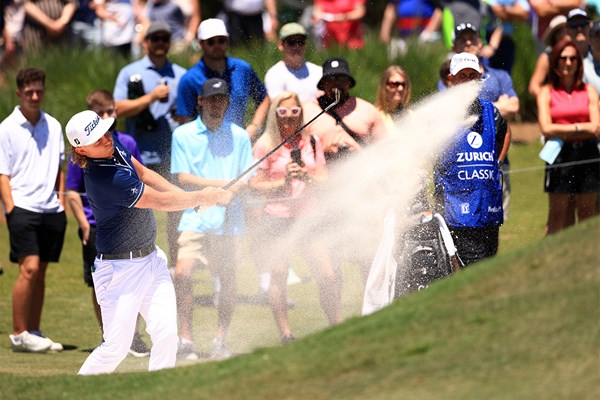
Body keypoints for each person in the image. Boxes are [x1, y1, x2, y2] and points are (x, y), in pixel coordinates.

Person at [66, 109, 232, 375]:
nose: (106, 139)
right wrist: (200, 197)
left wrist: (188, 199)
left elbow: (144, 173)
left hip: (151, 260)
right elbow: (157, 201)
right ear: (82, 151)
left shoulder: (112, 147)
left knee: (167, 336)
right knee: (116, 348)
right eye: (96, 140)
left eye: (105, 132)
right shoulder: (105, 178)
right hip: (119, 272)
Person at [250, 91, 342, 344]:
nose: (288, 118)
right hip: (276, 218)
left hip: (307, 217)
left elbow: (323, 177)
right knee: (278, 273)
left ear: (300, 113)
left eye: (294, 112)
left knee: (327, 273)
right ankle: (286, 334)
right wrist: (282, 182)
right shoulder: (266, 144)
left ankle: (337, 324)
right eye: (282, 112)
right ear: (274, 115)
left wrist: (306, 175)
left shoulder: (310, 141)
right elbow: (255, 185)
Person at [171, 78, 252, 360]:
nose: (217, 103)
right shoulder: (182, 135)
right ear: (200, 102)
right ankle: (185, 337)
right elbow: (183, 178)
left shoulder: (240, 136)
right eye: (212, 98)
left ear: (227, 102)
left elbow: (245, 177)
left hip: (230, 221)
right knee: (182, 274)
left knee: (227, 280)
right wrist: (220, 188)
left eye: (222, 98)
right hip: (194, 217)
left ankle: (221, 338)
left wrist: (232, 188)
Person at [66, 89, 151, 357]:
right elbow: (71, 190)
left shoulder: (122, 141)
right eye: (103, 113)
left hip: (129, 222)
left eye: (111, 112)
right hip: (95, 226)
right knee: (101, 286)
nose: (109, 119)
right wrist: (83, 223)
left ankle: (131, 336)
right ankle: (110, 335)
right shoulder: (83, 156)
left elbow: (141, 176)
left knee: (134, 284)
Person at [0, 67, 66, 353]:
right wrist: (11, 209)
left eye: (39, 91)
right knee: (28, 269)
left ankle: (34, 331)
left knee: (40, 272)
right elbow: (2, 174)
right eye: (29, 92)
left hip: (51, 208)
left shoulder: (53, 125)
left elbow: (61, 166)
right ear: (19, 94)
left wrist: (61, 202)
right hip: (22, 207)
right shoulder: (6, 128)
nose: (35, 96)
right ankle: (18, 334)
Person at [113, 20, 187, 265]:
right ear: (145, 42)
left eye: (164, 39)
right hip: (137, 155)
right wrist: (151, 97)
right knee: (136, 213)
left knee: (176, 210)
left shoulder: (180, 74)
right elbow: (118, 108)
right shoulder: (130, 72)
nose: (159, 44)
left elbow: (188, 112)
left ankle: (175, 266)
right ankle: (137, 263)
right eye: (154, 39)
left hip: (170, 154)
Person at [434, 52, 511, 266]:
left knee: (487, 267)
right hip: (457, 210)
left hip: (488, 208)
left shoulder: (490, 111)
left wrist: (498, 162)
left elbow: (505, 132)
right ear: (451, 80)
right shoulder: (440, 114)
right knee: (469, 268)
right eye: (463, 76)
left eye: (473, 76)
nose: (468, 81)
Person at [536, 39, 599, 235]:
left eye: (573, 58)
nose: (568, 62)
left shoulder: (588, 90)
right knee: (557, 216)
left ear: (579, 62)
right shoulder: (546, 92)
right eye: (563, 58)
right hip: (559, 154)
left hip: (587, 153)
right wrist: (580, 127)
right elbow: (546, 128)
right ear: (555, 61)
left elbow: (596, 127)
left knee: (588, 213)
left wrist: (563, 128)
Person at [175, 18, 270, 140]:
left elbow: (264, 98)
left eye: (221, 40)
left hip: (239, 142)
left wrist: (255, 126)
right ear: (200, 43)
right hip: (205, 146)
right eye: (211, 42)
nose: (217, 45)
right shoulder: (189, 79)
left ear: (227, 41)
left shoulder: (242, 69)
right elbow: (185, 120)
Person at [302, 56, 386, 162]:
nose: (336, 84)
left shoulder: (368, 111)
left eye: (341, 79)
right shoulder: (307, 111)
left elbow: (384, 149)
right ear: (323, 84)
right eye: (331, 79)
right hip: (322, 174)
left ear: (349, 83)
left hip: (363, 172)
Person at [264, 22, 323, 101]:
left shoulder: (319, 72)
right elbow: (277, 106)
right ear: (281, 45)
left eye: (300, 42)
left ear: (305, 45)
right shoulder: (274, 74)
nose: (296, 46)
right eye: (291, 42)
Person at [528, 15, 570, 98]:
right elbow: (533, 87)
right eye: (560, 32)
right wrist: (549, 100)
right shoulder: (546, 58)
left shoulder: (580, 55)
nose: (565, 35)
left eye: (567, 31)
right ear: (554, 37)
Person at [374, 65, 412, 130]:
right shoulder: (375, 116)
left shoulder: (411, 115)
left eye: (403, 84)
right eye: (395, 84)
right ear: (384, 86)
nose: (400, 88)